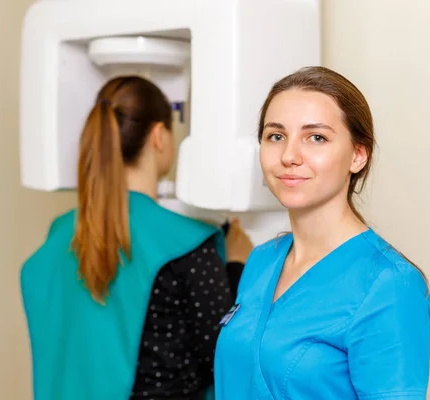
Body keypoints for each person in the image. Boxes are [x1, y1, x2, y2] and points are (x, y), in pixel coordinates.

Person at [20, 76, 254, 400]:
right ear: (159, 136)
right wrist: (236, 266)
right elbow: (225, 358)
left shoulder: (60, 235)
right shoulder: (189, 246)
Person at [214, 66, 430, 399]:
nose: (289, 156)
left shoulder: (389, 284)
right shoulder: (261, 261)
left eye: (316, 137)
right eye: (276, 136)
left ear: (358, 155)